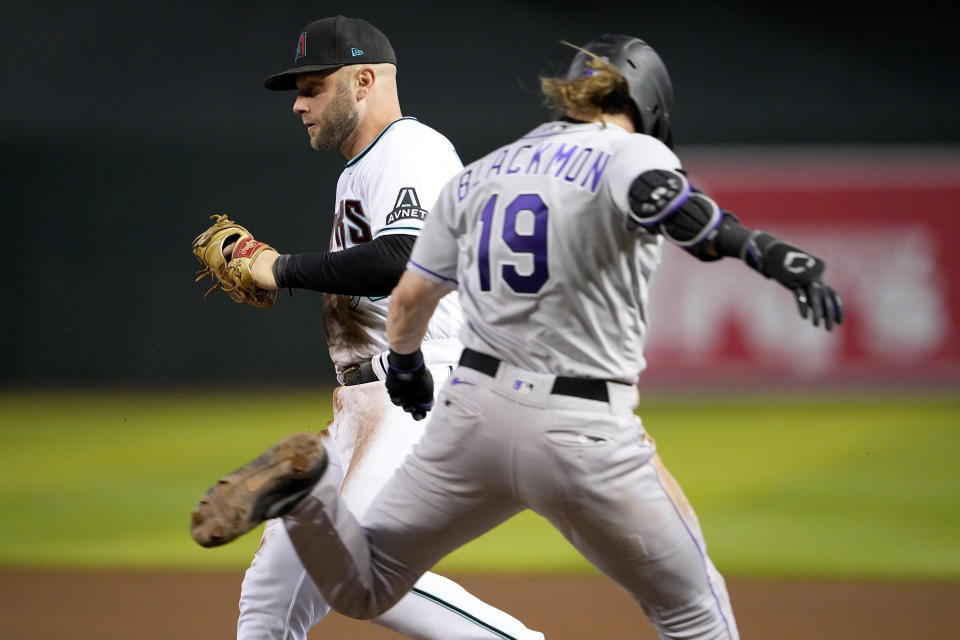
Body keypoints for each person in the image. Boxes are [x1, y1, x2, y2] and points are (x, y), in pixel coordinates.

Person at [191, 34, 844, 640]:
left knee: (363, 581)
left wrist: (411, 366)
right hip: (581, 423)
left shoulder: (493, 166)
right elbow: (667, 202)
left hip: (474, 411)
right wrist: (763, 251)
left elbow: (413, 285)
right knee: (691, 607)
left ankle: (307, 501)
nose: (300, 103)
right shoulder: (629, 150)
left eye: (312, 86)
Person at [213, 15, 545, 640]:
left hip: (423, 390)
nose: (299, 105)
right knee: (270, 595)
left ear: (363, 80)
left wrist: (278, 269)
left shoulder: (412, 149)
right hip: (365, 400)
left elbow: (403, 259)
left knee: (366, 565)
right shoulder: (357, 172)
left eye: (312, 87)